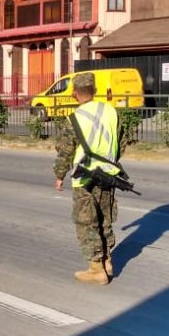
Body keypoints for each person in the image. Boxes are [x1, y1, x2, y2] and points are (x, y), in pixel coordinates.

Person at [53, 72, 121, 284]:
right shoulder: (111, 111)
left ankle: (96, 269)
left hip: (84, 177)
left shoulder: (74, 118)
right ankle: (107, 261)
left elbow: (65, 150)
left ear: (74, 94)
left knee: (86, 221)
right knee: (104, 218)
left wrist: (59, 175)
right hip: (109, 174)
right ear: (95, 91)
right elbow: (122, 140)